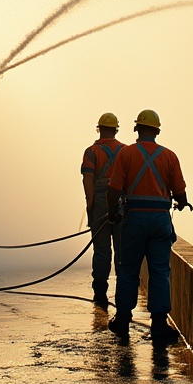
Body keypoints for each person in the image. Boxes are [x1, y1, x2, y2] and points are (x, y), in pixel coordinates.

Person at [106, 109, 190, 345]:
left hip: (134, 221)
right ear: (157, 131)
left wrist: (112, 214)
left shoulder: (126, 154)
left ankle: (122, 319)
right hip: (160, 222)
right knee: (160, 272)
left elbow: (114, 190)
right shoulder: (169, 156)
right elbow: (180, 192)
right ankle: (159, 324)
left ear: (137, 129)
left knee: (129, 269)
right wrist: (182, 203)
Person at [80, 112, 126, 309]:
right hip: (121, 203)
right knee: (122, 252)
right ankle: (123, 294)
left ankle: (100, 295)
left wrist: (90, 208)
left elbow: (87, 180)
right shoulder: (126, 151)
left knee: (101, 251)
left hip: (99, 204)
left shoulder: (91, 152)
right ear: (116, 129)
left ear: (99, 129)